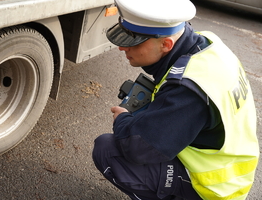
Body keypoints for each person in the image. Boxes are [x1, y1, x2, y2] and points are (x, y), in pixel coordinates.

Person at [92, 0, 260, 199]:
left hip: (212, 189)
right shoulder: (207, 42)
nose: (122, 48)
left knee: (107, 149)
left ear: (166, 44)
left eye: (133, 41)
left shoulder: (188, 90)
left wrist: (123, 120)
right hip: (229, 167)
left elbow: (138, 147)